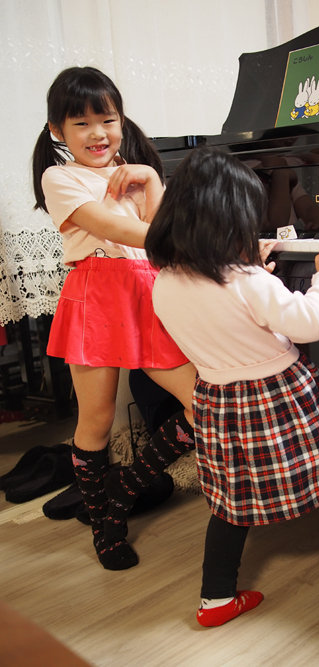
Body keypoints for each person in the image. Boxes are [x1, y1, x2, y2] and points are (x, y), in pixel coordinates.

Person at [144, 146, 319, 627]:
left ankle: (216, 599)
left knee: (232, 497)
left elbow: (219, 316)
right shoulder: (248, 281)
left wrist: (253, 275)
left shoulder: (165, 282)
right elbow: (310, 322)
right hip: (278, 392)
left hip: (218, 399)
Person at [32, 66, 198, 571]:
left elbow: (159, 233)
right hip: (96, 296)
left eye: (106, 120)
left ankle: (125, 488)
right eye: (81, 123)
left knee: (205, 405)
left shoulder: (136, 172)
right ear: (58, 130)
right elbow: (120, 229)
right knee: (97, 418)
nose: (97, 133)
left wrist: (152, 179)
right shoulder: (60, 177)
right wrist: (203, 240)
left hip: (149, 292)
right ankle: (106, 526)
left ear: (121, 120)